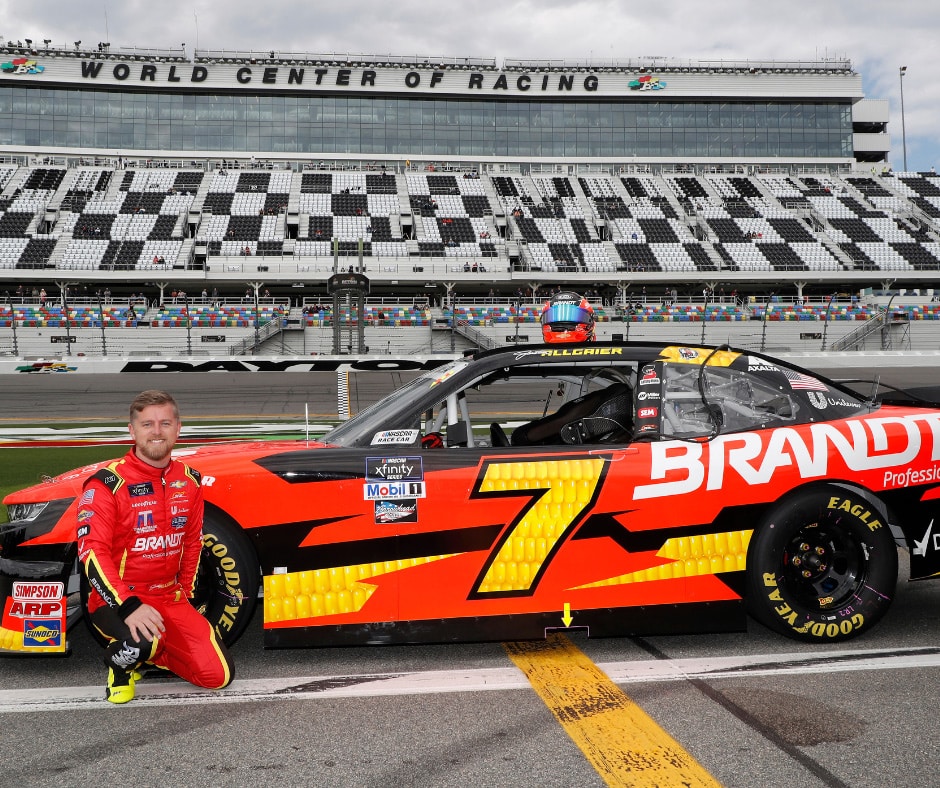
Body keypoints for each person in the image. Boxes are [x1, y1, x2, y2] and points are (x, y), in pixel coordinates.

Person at [76, 390, 233, 704]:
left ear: (178, 428)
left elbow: (192, 543)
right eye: (147, 424)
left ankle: (150, 653)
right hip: (120, 598)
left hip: (169, 596)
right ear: (132, 431)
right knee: (143, 641)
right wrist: (128, 605)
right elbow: (91, 554)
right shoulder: (107, 484)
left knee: (217, 677)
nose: (157, 431)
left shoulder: (189, 480)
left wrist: (186, 595)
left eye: (165, 423)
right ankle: (120, 665)